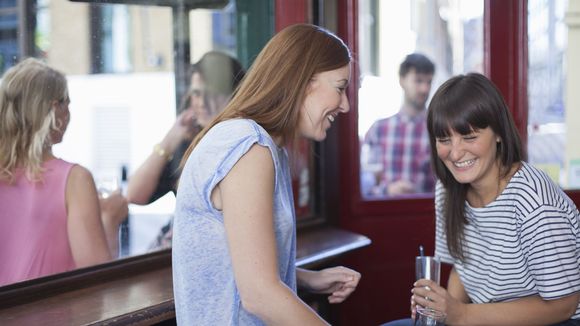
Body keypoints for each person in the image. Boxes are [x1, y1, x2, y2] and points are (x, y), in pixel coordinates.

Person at [172, 24, 361, 325]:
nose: (346, 105)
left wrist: (308, 279)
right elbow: (259, 294)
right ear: (302, 81)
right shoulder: (249, 146)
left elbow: (237, 260)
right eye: (340, 87)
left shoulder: (265, 146)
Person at [386, 73, 580, 326]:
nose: (455, 153)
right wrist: (442, 312)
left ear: (498, 133)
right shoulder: (447, 189)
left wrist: (461, 315)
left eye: (469, 137)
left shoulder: (534, 201)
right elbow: (462, 268)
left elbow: (564, 305)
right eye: (444, 140)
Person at [0, 58, 128, 286]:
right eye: (66, 102)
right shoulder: (74, 180)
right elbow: (97, 283)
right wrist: (110, 218)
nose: (69, 111)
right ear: (51, 109)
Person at [126, 51, 245, 249]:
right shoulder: (187, 144)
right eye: (197, 93)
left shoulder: (246, 145)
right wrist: (170, 139)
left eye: (213, 93)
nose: (202, 103)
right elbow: (134, 195)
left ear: (235, 94)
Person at [361, 53, 435, 197]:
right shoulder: (378, 130)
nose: (424, 89)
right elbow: (364, 183)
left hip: (427, 214)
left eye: (429, 82)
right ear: (402, 80)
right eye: (418, 81)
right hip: (384, 214)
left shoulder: (438, 130)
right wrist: (387, 191)